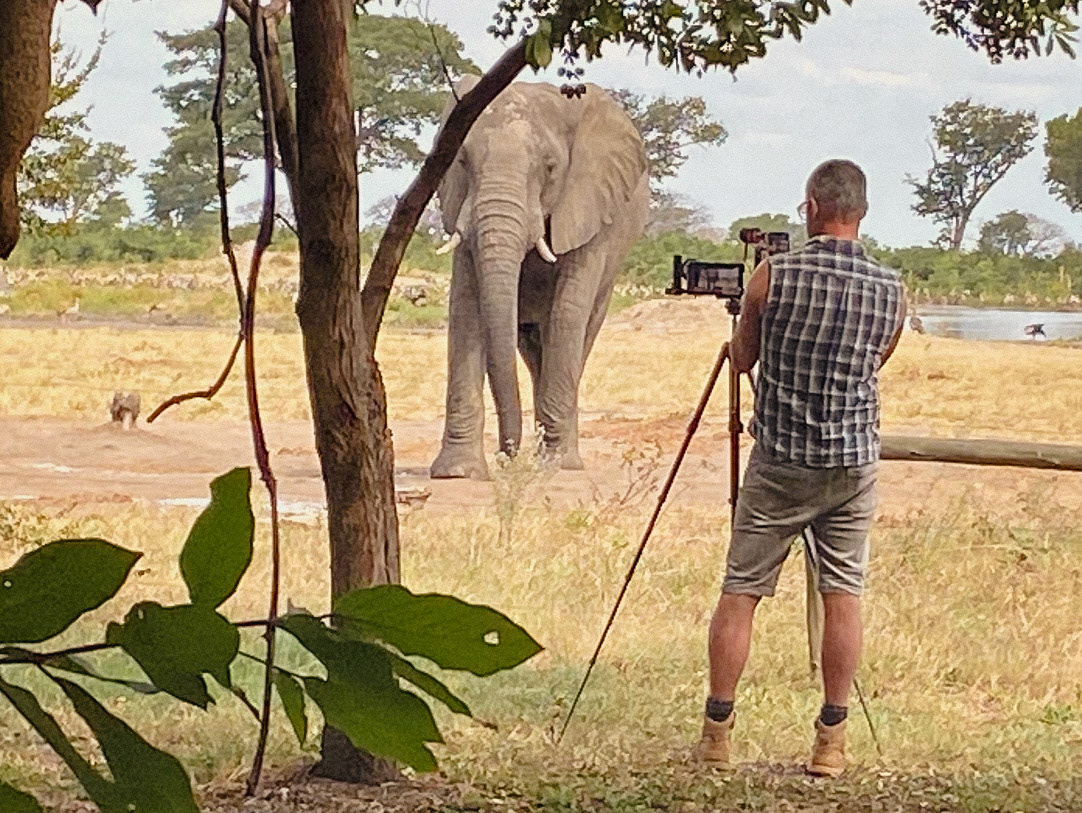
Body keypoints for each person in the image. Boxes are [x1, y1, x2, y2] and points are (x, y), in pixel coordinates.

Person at [693, 159, 906, 776]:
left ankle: (717, 732)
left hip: (781, 460)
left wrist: (737, 340)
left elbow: (744, 358)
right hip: (852, 463)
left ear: (812, 207)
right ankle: (831, 741)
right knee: (844, 593)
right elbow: (875, 362)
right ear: (861, 212)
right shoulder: (891, 288)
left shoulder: (772, 276)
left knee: (742, 590)